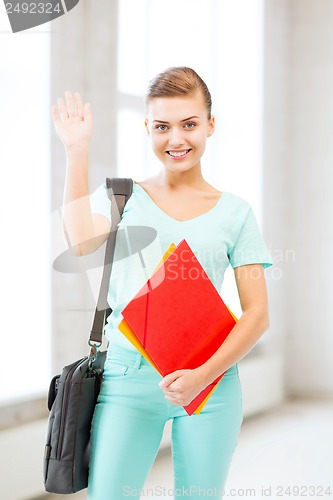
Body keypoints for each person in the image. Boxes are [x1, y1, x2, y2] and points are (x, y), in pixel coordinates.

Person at [52, 66, 273, 499]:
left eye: (189, 124)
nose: (176, 139)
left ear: (210, 124)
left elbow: (258, 315)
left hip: (211, 384)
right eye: (162, 127)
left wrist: (202, 376)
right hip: (126, 379)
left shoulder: (236, 212)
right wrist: (77, 151)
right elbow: (79, 244)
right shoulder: (122, 196)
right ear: (148, 129)